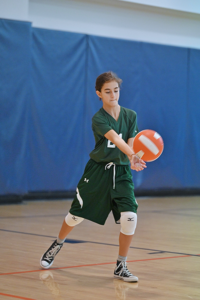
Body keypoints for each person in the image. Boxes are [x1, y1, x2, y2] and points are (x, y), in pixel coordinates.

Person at [40, 71, 146, 282]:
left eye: (116, 90)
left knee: (130, 218)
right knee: (75, 216)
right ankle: (58, 243)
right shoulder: (98, 118)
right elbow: (115, 138)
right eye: (107, 91)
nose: (113, 95)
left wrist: (132, 158)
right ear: (99, 93)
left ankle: (121, 265)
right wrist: (131, 153)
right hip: (98, 171)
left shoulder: (130, 115)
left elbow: (131, 140)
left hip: (122, 172)